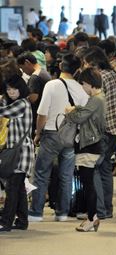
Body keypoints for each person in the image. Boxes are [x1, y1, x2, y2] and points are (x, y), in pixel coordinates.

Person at [29, 54, 90, 222]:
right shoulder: (81, 89)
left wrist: (38, 133)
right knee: (66, 175)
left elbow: (42, 113)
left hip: (51, 133)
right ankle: (62, 213)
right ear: (77, 69)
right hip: (70, 136)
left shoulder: (52, 85)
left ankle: (36, 212)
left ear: (61, 66)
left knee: (41, 173)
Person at [64, 68, 106, 232]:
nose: (82, 88)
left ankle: (91, 218)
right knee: (88, 183)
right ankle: (92, 217)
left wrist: (70, 112)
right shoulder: (99, 98)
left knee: (88, 184)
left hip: (89, 144)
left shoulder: (96, 100)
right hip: (93, 144)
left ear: (88, 83)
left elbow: (80, 117)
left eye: (82, 84)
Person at [82, 47, 116, 220]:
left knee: (95, 170)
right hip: (114, 129)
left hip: (102, 131)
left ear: (95, 64)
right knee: (105, 170)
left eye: (87, 64)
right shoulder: (113, 74)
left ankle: (100, 210)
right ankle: (107, 208)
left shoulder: (100, 78)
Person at [0, 75, 35, 233]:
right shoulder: (21, 103)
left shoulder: (21, 104)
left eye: (14, 88)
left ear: (21, 88)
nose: (11, 92)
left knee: (12, 188)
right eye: (8, 89)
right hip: (21, 151)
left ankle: (5, 222)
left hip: (20, 152)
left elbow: (3, 112)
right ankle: (22, 221)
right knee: (19, 188)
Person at [16, 53, 51, 132]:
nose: (23, 71)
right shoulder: (43, 72)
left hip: (38, 116)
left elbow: (33, 98)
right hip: (46, 114)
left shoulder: (34, 77)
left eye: (22, 67)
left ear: (27, 62)